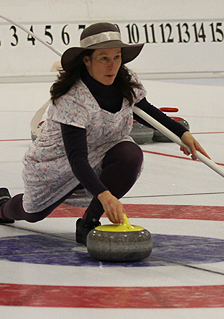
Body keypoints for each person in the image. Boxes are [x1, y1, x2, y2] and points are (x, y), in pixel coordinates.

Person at [0, 22, 209, 245]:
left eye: (117, 57)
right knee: (32, 213)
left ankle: (89, 221)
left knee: (130, 154)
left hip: (102, 151)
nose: (112, 66)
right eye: (104, 58)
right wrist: (105, 195)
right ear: (86, 60)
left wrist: (182, 134)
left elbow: (146, 111)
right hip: (57, 164)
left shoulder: (125, 82)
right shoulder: (72, 98)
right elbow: (76, 158)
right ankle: (3, 207)